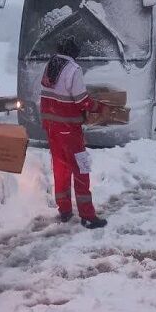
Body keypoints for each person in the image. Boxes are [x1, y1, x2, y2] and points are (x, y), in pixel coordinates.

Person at [39, 36, 108, 229]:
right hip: (69, 131)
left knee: (61, 169)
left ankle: (65, 210)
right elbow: (82, 101)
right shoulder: (73, 70)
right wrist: (99, 106)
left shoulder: (50, 65)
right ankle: (87, 215)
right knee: (81, 170)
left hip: (52, 128)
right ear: (74, 52)